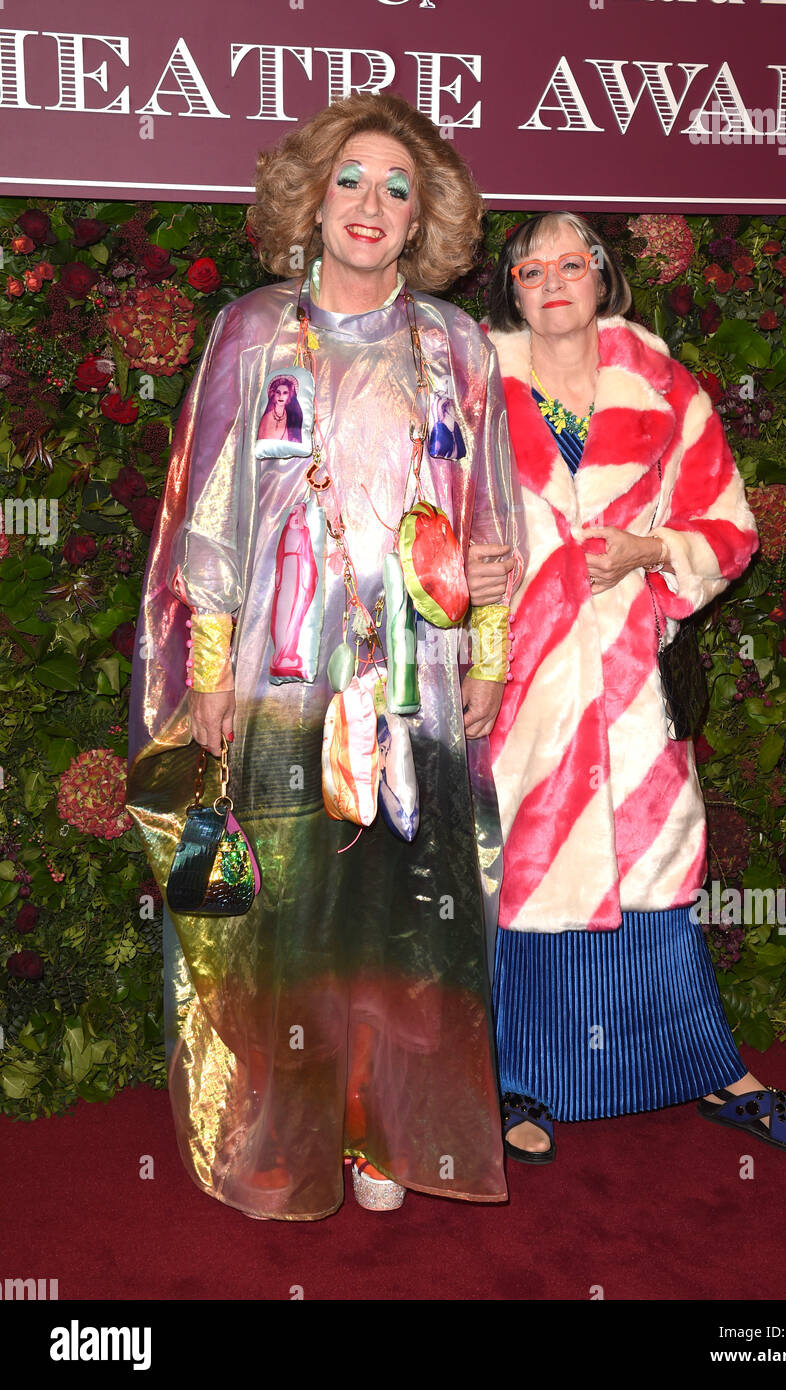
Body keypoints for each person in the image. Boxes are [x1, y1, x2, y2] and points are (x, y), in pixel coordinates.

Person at [125, 92, 525, 1221]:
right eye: (351, 178)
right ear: (311, 197)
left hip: (416, 669)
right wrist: (207, 669)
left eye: (398, 190)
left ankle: (379, 1129)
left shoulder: (454, 344)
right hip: (281, 664)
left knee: (405, 905)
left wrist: (487, 646)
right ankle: (288, 1125)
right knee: (288, 910)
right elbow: (209, 511)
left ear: (422, 224)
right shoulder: (252, 330)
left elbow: (484, 516)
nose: (371, 204)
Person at [466, 212, 786, 1164]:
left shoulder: (667, 389)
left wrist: (648, 549)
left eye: (571, 262)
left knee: (652, 875)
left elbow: (731, 528)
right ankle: (510, 1079)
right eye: (531, 266)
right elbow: (425, 520)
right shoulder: (469, 392)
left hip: (631, 690)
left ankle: (714, 1070)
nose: (552, 279)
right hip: (518, 688)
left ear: (603, 277)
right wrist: (463, 571)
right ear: (510, 287)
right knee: (526, 878)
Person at [257, 376, 303, 443]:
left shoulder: (291, 418)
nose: (281, 396)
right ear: (273, 394)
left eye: (285, 393)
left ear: (289, 395)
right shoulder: (266, 418)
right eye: (278, 392)